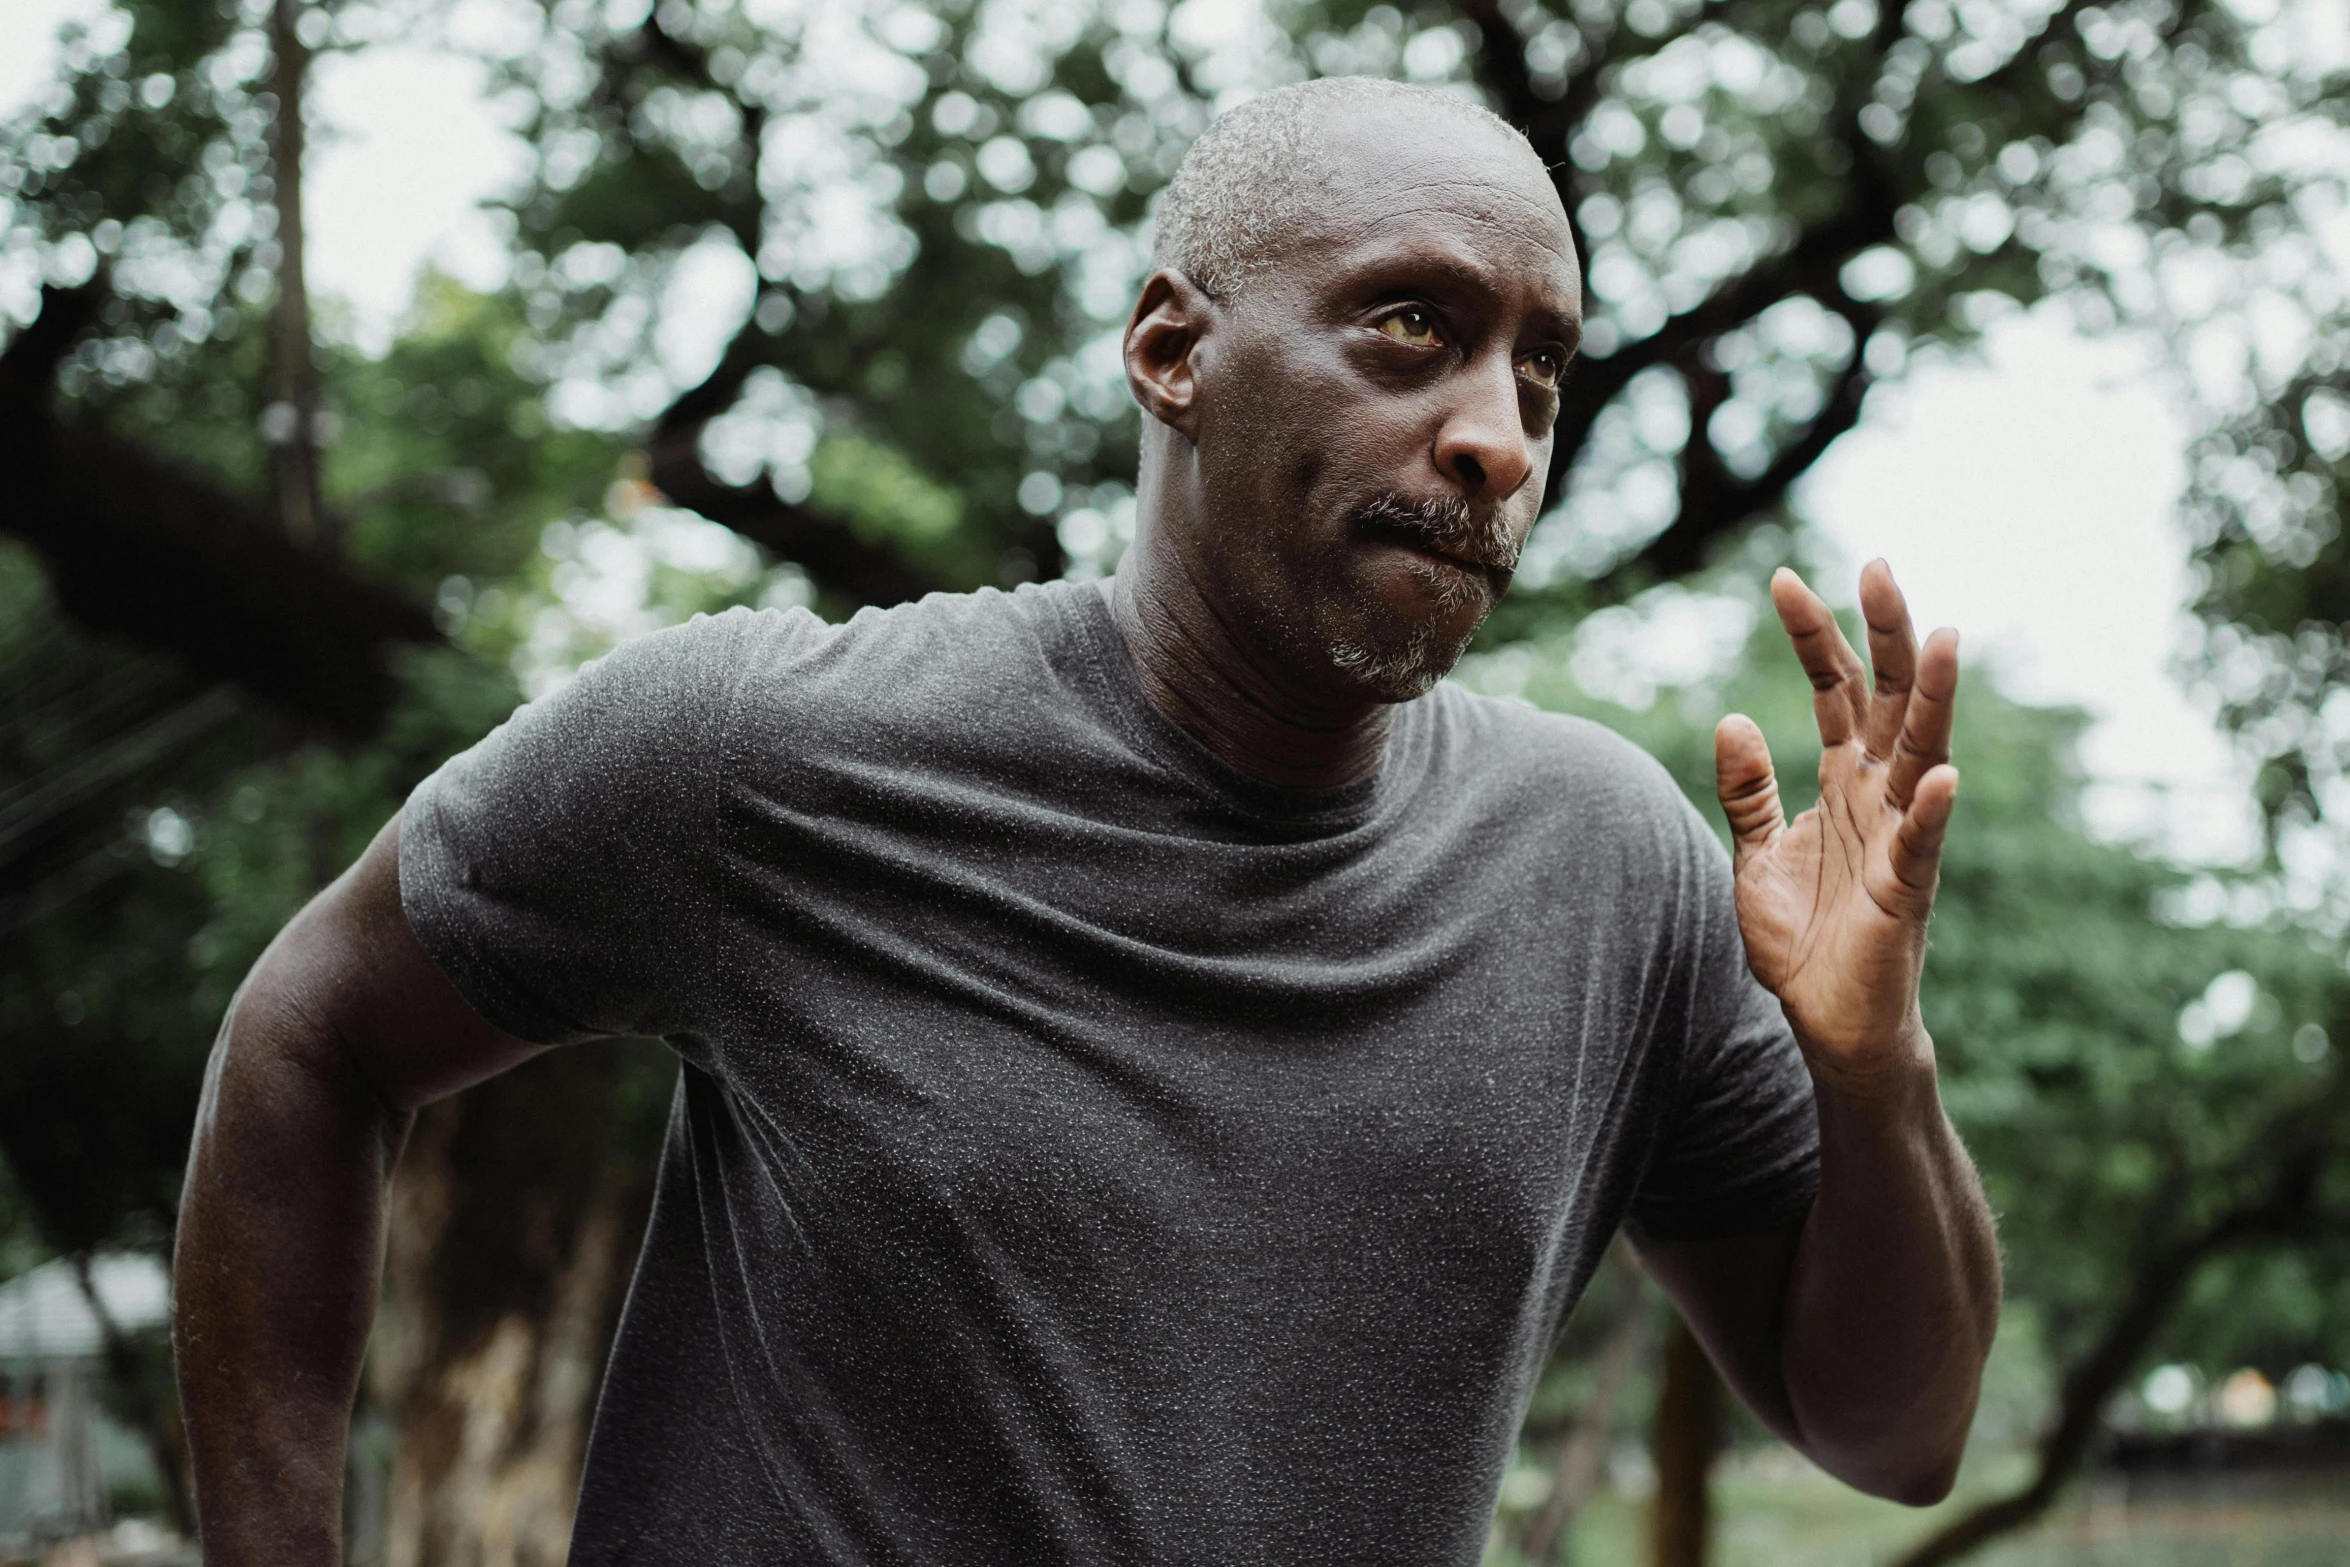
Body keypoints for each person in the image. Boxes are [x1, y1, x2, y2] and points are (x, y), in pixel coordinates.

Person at [175, 76, 1999, 1566]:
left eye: (1536, 368)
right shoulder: (757, 754)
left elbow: (1893, 1433)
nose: (1497, 439)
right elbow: (309, 1036)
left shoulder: (1611, 869)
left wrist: (1873, 1066)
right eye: (1407, 326)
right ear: (1169, 349)